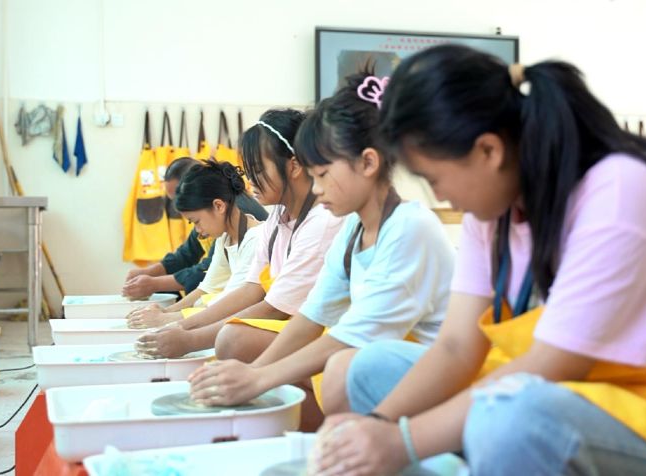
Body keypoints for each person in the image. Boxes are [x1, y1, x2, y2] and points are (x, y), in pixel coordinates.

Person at [311, 44, 646, 475]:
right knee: (369, 367)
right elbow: (455, 347)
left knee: (507, 418)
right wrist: (377, 426)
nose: (440, 197)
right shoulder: (492, 212)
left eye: (435, 179)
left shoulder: (621, 191)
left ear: (488, 151)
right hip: (583, 391)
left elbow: (553, 364)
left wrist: (401, 441)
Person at [185, 71, 456, 417]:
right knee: (320, 364)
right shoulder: (353, 230)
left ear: (368, 162)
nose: (315, 188)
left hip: (436, 372)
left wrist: (259, 377)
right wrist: (255, 372)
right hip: (376, 356)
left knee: (342, 368)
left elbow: (356, 337)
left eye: (323, 174)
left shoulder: (409, 228)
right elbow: (313, 314)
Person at [133, 108, 346, 365]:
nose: (250, 180)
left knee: (232, 339)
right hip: (286, 321)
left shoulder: (322, 222)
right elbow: (251, 289)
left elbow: (275, 308)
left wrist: (188, 337)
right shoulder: (277, 218)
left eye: (258, 170)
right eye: (248, 170)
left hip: (320, 334)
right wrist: (179, 326)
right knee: (224, 333)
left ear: (294, 165)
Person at [127, 159, 264, 329]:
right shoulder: (225, 238)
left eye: (196, 221)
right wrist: (165, 311)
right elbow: (208, 287)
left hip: (252, 317)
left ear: (218, 206)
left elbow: (231, 303)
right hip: (232, 305)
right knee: (199, 297)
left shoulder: (256, 239)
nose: (198, 230)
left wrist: (164, 319)